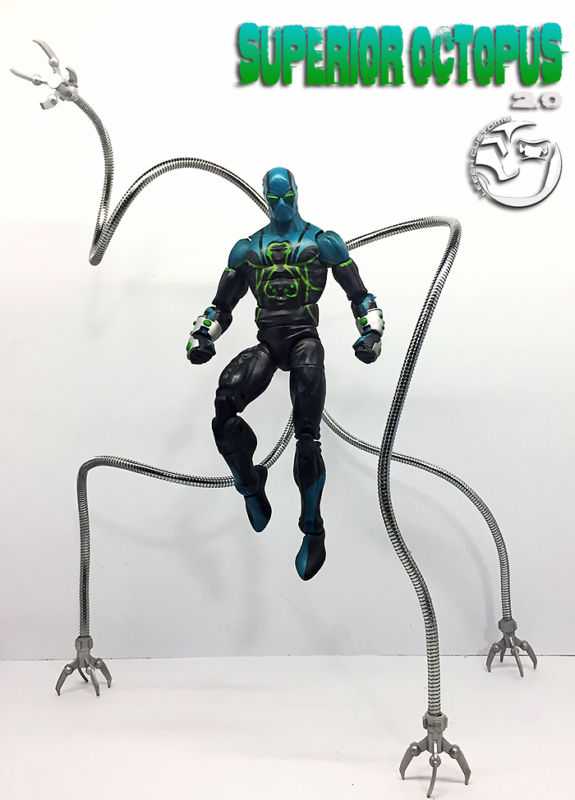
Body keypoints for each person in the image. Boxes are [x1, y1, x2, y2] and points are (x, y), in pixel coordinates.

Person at [187, 168, 383, 580]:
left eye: (286, 196)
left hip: (303, 340)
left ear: (296, 193)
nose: (280, 205)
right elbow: (222, 306)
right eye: (273, 198)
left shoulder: (322, 242)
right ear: (264, 197)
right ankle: (250, 484)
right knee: (224, 405)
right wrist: (203, 336)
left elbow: (359, 295)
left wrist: (371, 333)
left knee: (307, 437)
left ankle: (313, 529)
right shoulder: (247, 250)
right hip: (268, 343)